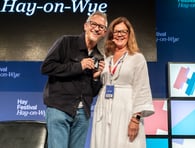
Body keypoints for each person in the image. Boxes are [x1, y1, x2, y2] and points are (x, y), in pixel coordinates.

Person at [40, 11, 108, 148]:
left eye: (101, 27)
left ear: (104, 32)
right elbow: (46, 67)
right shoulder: (66, 42)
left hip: (83, 114)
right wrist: (79, 66)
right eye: (94, 24)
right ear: (85, 26)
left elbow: (93, 92)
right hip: (60, 108)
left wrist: (96, 78)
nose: (96, 28)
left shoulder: (99, 57)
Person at [90, 17, 155, 148]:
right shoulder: (106, 59)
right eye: (116, 31)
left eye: (124, 32)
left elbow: (142, 89)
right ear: (111, 35)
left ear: (129, 35)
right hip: (104, 109)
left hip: (126, 110)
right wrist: (96, 76)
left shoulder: (137, 58)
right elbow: (98, 84)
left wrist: (136, 119)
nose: (120, 35)